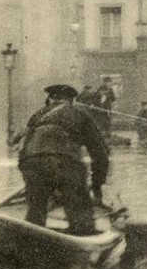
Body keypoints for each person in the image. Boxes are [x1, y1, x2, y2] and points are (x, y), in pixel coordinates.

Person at [17, 84, 110, 235]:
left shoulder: (39, 114)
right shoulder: (80, 113)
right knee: (81, 215)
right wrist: (97, 186)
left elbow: (21, 142)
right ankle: (82, 237)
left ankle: (31, 237)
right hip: (64, 160)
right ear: (72, 100)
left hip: (30, 161)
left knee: (35, 210)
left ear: (50, 99)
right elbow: (100, 154)